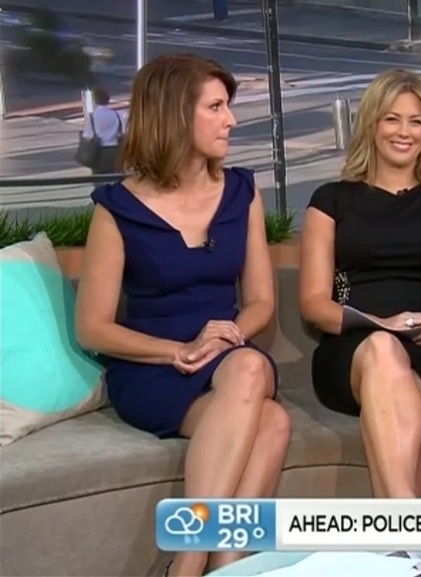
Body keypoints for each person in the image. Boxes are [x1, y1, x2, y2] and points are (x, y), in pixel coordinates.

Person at [74, 54, 289, 577]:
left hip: (228, 357)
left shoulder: (242, 192)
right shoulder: (117, 208)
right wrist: (181, 350)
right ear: (174, 115)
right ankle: (204, 561)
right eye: (215, 107)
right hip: (153, 368)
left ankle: (207, 563)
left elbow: (261, 301)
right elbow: (92, 327)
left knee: (253, 373)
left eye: (227, 106)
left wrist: (224, 337)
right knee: (270, 415)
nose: (231, 120)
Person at [298, 69, 421, 498]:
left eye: (415, 121)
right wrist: (383, 324)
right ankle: (409, 519)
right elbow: (313, 303)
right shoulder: (330, 200)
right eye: (392, 119)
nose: (404, 132)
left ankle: (401, 526)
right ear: (371, 124)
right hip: (350, 353)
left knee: (399, 399)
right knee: (383, 350)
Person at [81, 87, 125, 175]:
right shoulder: (118, 115)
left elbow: (88, 135)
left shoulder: (92, 117)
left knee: (99, 177)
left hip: (99, 152)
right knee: (116, 176)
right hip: (115, 150)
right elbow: (123, 132)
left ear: (95, 100)